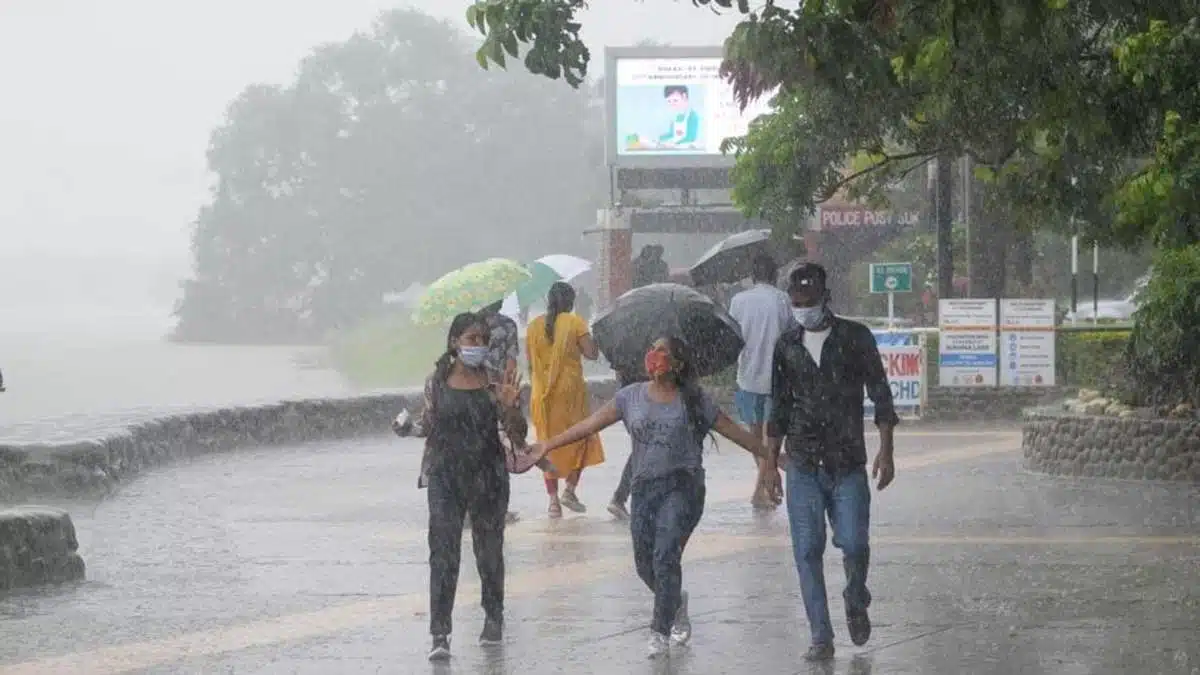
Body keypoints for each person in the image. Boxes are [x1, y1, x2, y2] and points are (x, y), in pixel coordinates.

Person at [530, 335, 773, 659]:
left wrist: (774, 462)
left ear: (678, 364)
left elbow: (736, 432)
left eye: (663, 352)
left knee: (665, 554)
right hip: (644, 490)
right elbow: (589, 425)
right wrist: (549, 444)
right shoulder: (630, 397)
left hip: (683, 486)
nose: (654, 356)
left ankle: (659, 630)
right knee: (645, 564)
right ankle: (675, 603)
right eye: (652, 349)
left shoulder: (694, 400)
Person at [759, 263, 898, 663]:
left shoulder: (855, 338)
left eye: (809, 297)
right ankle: (821, 636)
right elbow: (779, 407)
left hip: (847, 462)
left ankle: (856, 597)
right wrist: (770, 465)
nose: (803, 305)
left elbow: (881, 394)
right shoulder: (786, 346)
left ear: (824, 296)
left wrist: (886, 451)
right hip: (802, 463)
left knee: (855, 543)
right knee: (807, 550)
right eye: (796, 299)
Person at [401, 312, 529, 662]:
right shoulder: (437, 383)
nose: (479, 346)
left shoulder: (495, 384)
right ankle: (440, 631)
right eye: (472, 339)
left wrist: (510, 407)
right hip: (445, 476)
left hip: (487, 475)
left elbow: (518, 436)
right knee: (443, 552)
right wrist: (407, 429)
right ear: (454, 342)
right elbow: (429, 424)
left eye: (483, 340)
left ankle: (493, 615)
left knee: (489, 551)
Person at [527, 282, 606, 518]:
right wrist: (596, 338)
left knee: (546, 443)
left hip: (541, 394)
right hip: (570, 393)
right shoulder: (575, 322)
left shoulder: (533, 326)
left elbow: (531, 364)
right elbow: (592, 353)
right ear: (570, 302)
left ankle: (553, 502)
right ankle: (570, 490)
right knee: (584, 436)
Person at [727, 254, 794, 509]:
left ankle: (761, 490)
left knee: (756, 441)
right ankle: (772, 471)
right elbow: (791, 336)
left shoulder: (738, 301)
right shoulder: (783, 300)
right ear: (775, 275)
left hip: (747, 377)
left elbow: (732, 335)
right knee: (769, 441)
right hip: (776, 379)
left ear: (752, 276)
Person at [478, 300, 523, 524]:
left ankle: (473, 503)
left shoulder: (471, 326)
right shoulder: (508, 326)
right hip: (500, 392)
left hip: (474, 390)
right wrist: (509, 390)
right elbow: (511, 363)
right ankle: (499, 505)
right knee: (500, 446)